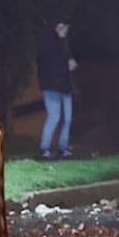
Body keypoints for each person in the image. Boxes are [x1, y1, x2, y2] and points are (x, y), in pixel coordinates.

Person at [37, 17, 76, 160]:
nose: (65, 31)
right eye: (61, 28)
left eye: (66, 28)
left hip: (65, 86)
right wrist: (67, 65)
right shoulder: (49, 44)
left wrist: (70, 61)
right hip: (52, 86)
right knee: (54, 117)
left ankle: (63, 148)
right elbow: (50, 65)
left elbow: (66, 58)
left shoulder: (63, 42)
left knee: (67, 118)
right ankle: (45, 148)